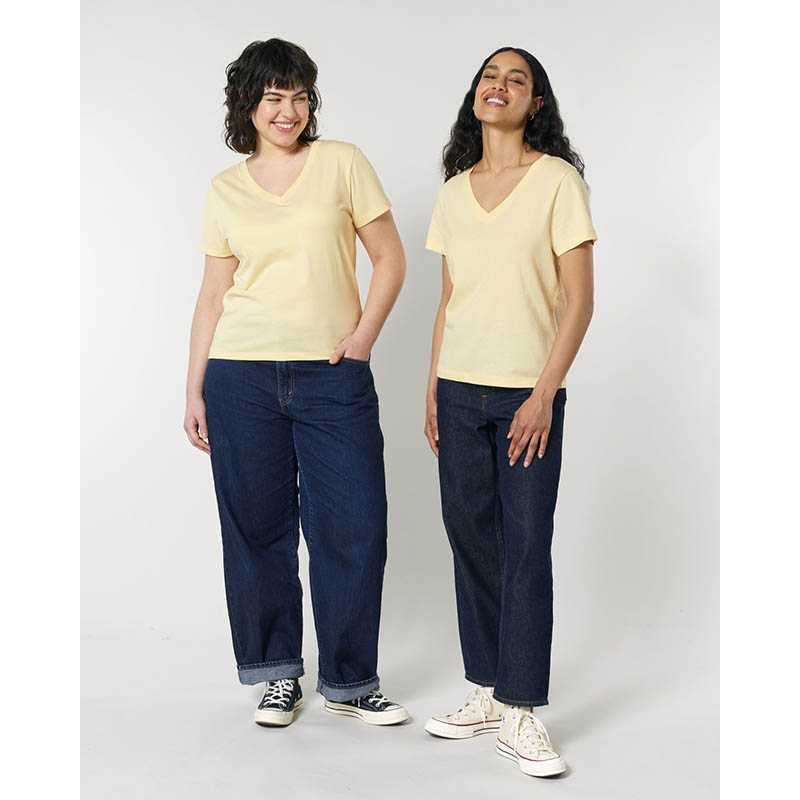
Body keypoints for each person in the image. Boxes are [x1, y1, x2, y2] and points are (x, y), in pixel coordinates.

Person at [183, 38, 408, 728]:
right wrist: (193, 388)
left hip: (332, 375)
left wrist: (361, 340)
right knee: (257, 531)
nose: (288, 111)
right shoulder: (225, 189)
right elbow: (213, 295)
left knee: (354, 527)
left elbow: (390, 259)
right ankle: (277, 675)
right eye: (273, 97)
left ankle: (350, 682)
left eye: (299, 96)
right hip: (239, 377)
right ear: (247, 105)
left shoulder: (342, 162)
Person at [422, 46, 597, 777]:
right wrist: (432, 389)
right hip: (459, 391)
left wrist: (544, 394)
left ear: (536, 103)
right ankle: (488, 689)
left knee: (526, 546)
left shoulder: (557, 182)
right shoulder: (453, 192)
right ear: (476, 96)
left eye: (515, 79)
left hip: (529, 393)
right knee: (470, 541)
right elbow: (449, 300)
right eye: (489, 77)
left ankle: (523, 707)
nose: (499, 86)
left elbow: (579, 300)